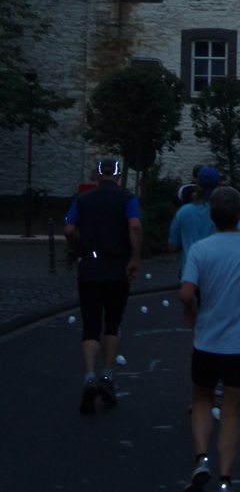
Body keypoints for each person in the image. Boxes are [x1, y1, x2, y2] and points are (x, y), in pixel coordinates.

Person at [180, 186, 240, 492]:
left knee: (201, 400)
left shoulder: (200, 249)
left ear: (212, 216)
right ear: (239, 215)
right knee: (232, 411)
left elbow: (186, 293)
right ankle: (225, 476)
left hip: (207, 341)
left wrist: (193, 312)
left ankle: (201, 459)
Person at [63, 158, 143, 414]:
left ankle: (88, 377)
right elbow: (135, 225)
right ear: (118, 177)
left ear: (98, 176)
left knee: (90, 325)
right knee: (112, 323)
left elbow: (68, 228)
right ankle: (107, 376)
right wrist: (135, 258)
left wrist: (80, 245)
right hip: (117, 267)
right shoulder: (127, 199)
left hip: (90, 267)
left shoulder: (83, 200)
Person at [168, 166, 221, 275]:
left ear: (197, 184)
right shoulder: (224, 210)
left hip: (190, 271)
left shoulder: (183, 212)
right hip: (216, 270)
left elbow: (171, 246)